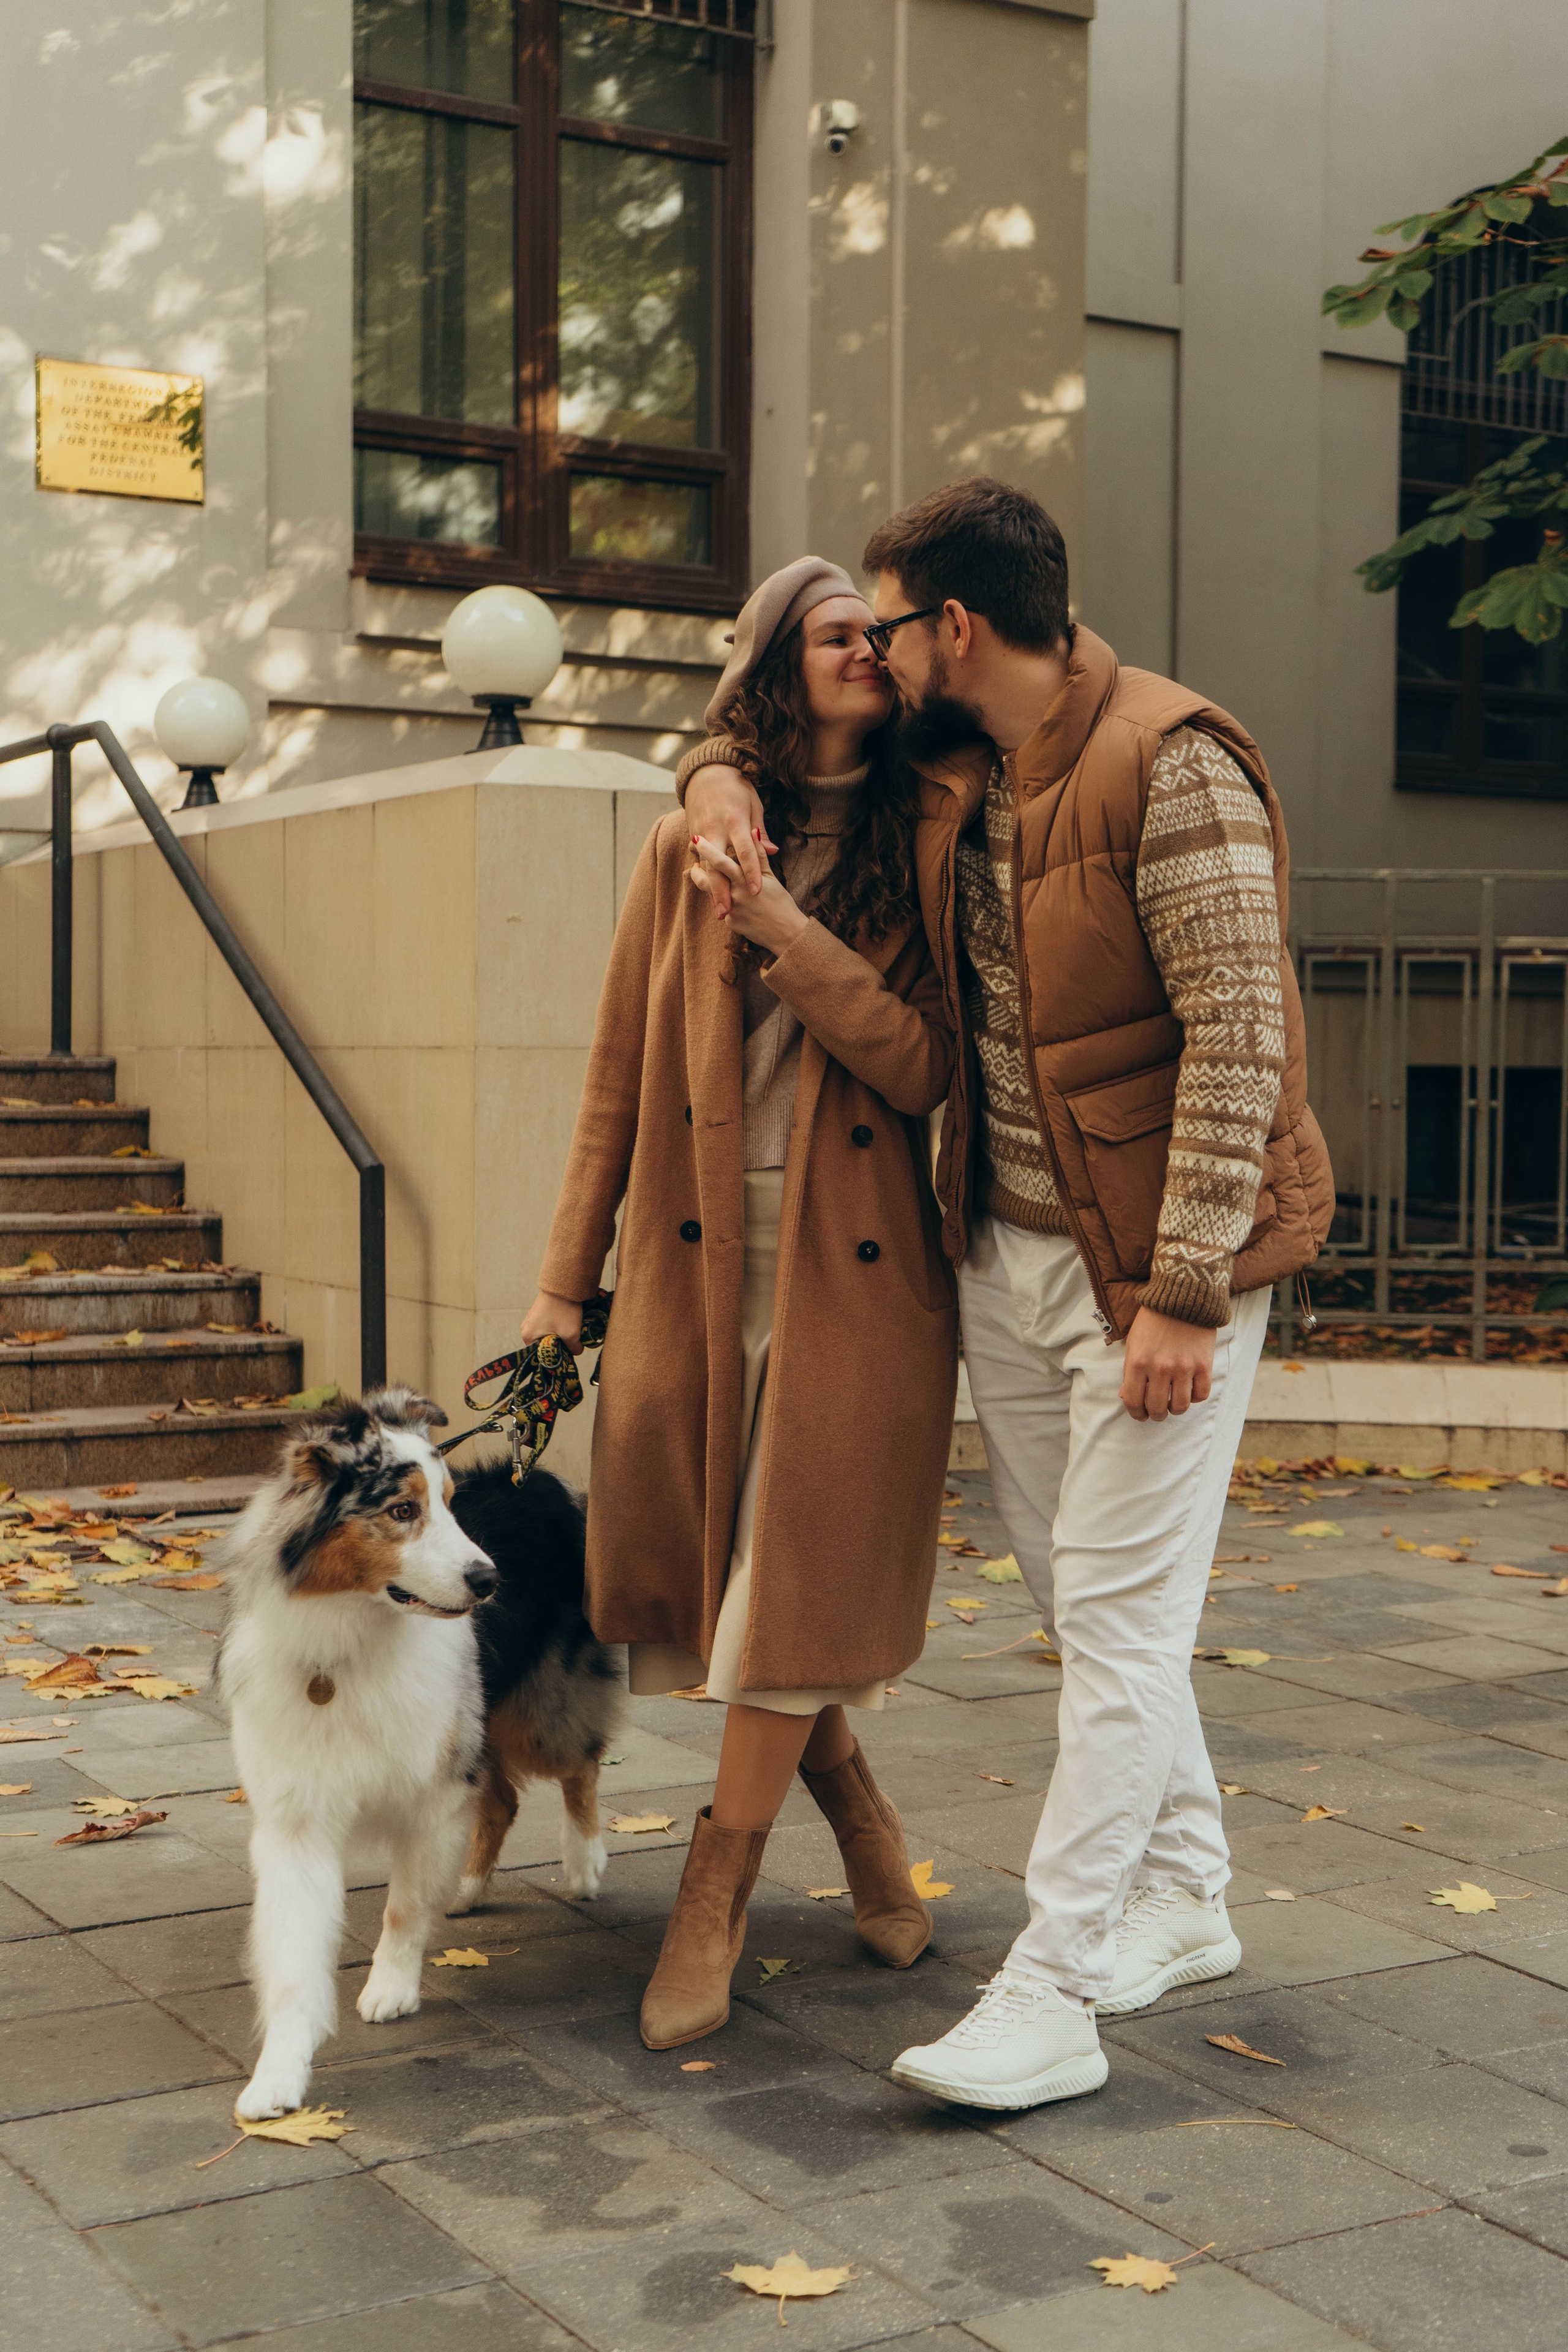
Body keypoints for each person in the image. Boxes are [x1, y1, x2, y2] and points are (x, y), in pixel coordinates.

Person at [681, 478, 1333, 2109]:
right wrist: (703, 779)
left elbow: (1241, 1035)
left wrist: (1183, 1292)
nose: (878, 651)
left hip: (1155, 1276)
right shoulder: (951, 763)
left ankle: (1053, 1995)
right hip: (1009, 1253)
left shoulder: (1174, 762)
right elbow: (750, 733)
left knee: (1116, 1623)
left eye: (891, 624)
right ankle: (1185, 1896)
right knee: (1077, 1600)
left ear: (953, 628)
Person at [521, 557, 960, 2052]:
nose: (867, 650)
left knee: (790, 1578)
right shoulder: (678, 843)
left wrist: (777, 914)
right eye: (836, 634)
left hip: (863, 1279)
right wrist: (556, 1292)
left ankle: (712, 1885)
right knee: (732, 1586)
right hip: (698, 1268)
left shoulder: (924, 839)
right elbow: (606, 1093)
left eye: (878, 636)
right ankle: (849, 1800)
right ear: (778, 661)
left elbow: (916, 1065)